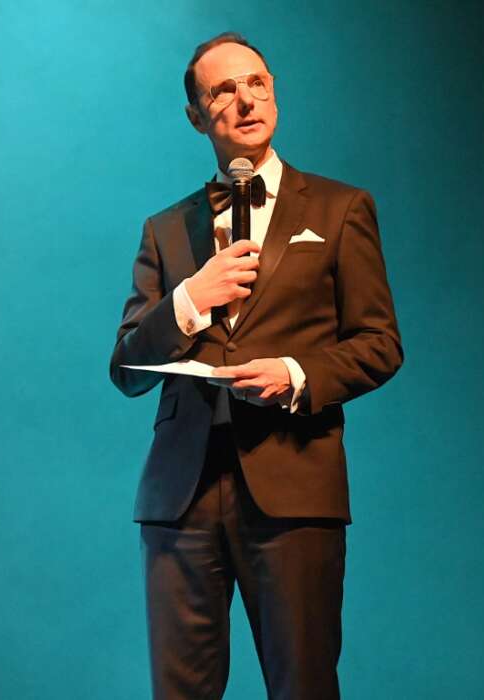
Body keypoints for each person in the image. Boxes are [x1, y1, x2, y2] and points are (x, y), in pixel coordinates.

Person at [109, 31, 403, 700]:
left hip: (293, 486)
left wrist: (295, 376)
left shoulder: (340, 209)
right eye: (223, 91)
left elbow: (379, 343)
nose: (245, 101)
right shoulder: (165, 228)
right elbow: (126, 367)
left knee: (303, 685)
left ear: (275, 95)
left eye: (257, 84)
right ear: (196, 117)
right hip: (180, 497)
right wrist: (190, 299)